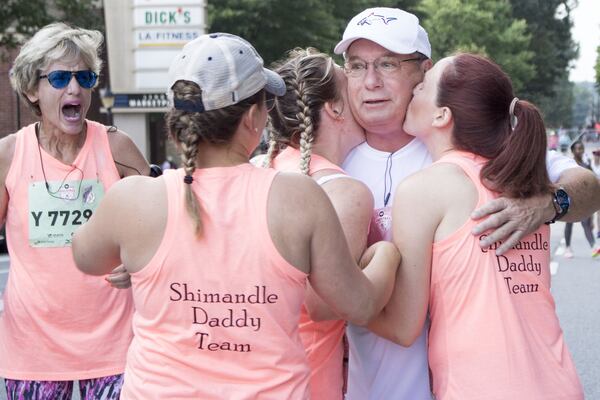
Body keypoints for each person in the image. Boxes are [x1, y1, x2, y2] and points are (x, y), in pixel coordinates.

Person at [71, 33, 399, 399]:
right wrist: (387, 253)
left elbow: (85, 257)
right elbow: (360, 304)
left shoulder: (134, 199)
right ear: (254, 118)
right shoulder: (297, 197)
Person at [335, 7, 600, 399]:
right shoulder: (329, 160)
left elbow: (588, 185)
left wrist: (548, 205)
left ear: (423, 73)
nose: (370, 81)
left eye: (387, 64)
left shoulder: (503, 155)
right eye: (356, 66)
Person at [384, 52, 583, 399]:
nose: (415, 88)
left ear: (442, 115)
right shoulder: (526, 184)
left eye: (424, 87)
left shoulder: (425, 189)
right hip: (559, 383)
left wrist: (340, 289)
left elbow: (403, 326)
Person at [0, 23, 150, 399]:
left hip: (118, 350)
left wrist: (137, 264)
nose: (75, 89)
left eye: (84, 77)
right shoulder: (8, 156)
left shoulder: (118, 149)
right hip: (33, 352)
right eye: (60, 78)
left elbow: (162, 233)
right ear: (32, 88)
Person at [262, 48, 371, 400]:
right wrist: (386, 257)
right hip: (308, 379)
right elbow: (325, 305)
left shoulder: (261, 169)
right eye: (347, 76)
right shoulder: (343, 192)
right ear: (335, 108)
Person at [562, 141, 599, 258]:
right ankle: (568, 248)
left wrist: (592, 211)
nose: (581, 151)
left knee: (586, 224)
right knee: (569, 224)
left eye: (582, 149)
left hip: (583, 202)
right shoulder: (567, 165)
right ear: (573, 151)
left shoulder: (586, 166)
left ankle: (594, 247)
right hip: (569, 202)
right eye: (578, 149)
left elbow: (593, 186)